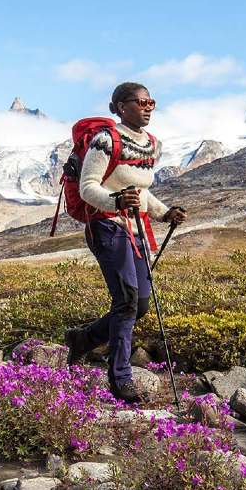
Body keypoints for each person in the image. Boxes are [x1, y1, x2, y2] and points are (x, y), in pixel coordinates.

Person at [64, 82, 187, 403]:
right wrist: (115, 201)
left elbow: (140, 190)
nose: (148, 107)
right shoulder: (105, 141)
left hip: (138, 227)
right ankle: (120, 378)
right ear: (120, 106)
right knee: (127, 302)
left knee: (140, 304)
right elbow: (88, 188)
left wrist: (164, 214)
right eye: (141, 102)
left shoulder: (151, 144)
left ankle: (82, 340)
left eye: (152, 102)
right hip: (106, 226)